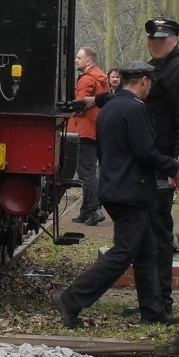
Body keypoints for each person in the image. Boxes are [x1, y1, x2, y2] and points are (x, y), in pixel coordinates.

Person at [53, 62, 179, 328]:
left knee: (147, 250)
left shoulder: (110, 107)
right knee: (124, 252)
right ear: (143, 81)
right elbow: (145, 151)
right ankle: (72, 299)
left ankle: (153, 312)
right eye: (149, 82)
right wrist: (175, 167)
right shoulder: (134, 109)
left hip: (114, 187)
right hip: (132, 191)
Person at [144, 16, 179, 314]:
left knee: (159, 234)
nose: (157, 43)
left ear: (175, 40)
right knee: (149, 233)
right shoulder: (153, 70)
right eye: (153, 39)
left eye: (163, 39)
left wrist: (178, 165)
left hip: (163, 163)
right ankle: (152, 299)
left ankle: (161, 302)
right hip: (149, 162)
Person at [69, 47, 109, 226]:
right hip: (96, 129)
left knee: (86, 172)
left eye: (79, 58)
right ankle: (86, 210)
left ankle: (93, 208)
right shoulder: (101, 78)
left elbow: (80, 105)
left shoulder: (86, 79)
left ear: (88, 62)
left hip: (84, 130)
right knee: (89, 170)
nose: (76, 60)